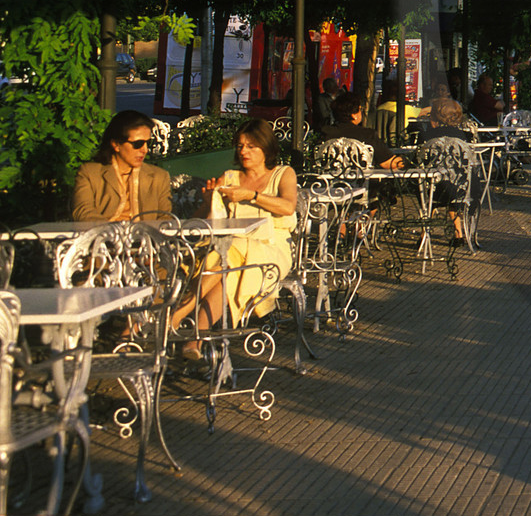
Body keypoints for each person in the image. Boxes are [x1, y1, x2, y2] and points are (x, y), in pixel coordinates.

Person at [178, 119, 297, 357]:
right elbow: (201, 221)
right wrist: (208, 199)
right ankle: (196, 340)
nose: (243, 151)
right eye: (240, 146)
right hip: (230, 252)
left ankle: (179, 315)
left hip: (272, 249)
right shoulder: (230, 177)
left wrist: (252, 196)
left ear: (266, 148)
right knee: (228, 269)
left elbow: (288, 207)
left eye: (251, 146)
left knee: (227, 253)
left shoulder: (283, 173)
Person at [73, 110, 172, 222]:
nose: (144, 150)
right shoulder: (90, 173)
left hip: (146, 237)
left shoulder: (159, 177)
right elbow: (83, 213)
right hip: (103, 236)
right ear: (116, 144)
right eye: (137, 144)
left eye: (148, 143)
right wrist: (117, 233)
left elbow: (165, 219)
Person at [417, 98, 472, 242]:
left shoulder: (425, 136)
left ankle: (424, 232)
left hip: (433, 190)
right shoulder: (465, 137)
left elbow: (420, 161)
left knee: (423, 183)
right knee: (451, 179)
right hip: (462, 189)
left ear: (435, 117)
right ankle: (458, 232)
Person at [321, 92, 405, 169]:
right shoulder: (368, 135)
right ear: (354, 115)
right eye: (360, 109)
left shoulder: (325, 132)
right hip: (361, 183)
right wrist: (409, 160)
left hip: (328, 183)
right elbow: (389, 163)